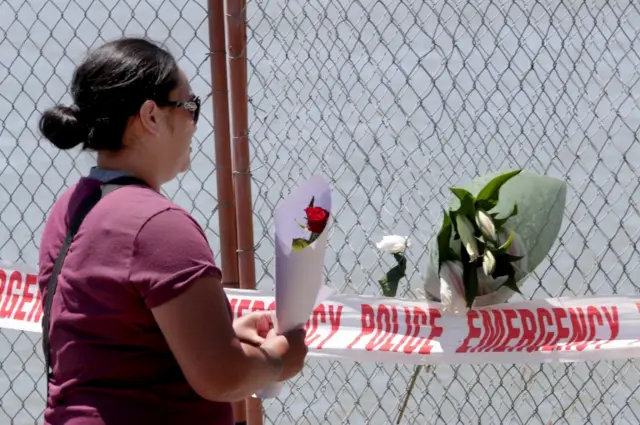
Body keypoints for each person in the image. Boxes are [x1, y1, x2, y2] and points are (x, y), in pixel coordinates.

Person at [36, 37, 308, 425]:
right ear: (150, 116)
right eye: (190, 107)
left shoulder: (70, 206)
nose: (195, 123)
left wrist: (223, 335)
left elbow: (114, 342)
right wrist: (281, 358)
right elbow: (222, 377)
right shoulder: (158, 224)